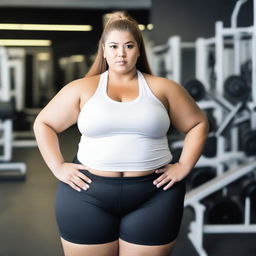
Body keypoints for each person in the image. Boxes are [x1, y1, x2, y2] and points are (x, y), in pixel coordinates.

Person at [33, 10, 209, 256]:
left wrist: (184, 166)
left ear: (139, 50)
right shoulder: (82, 88)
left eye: (129, 46)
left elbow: (198, 124)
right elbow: (44, 123)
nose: (121, 53)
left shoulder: (163, 88)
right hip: (87, 194)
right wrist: (58, 166)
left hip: (154, 195)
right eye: (114, 46)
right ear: (103, 50)